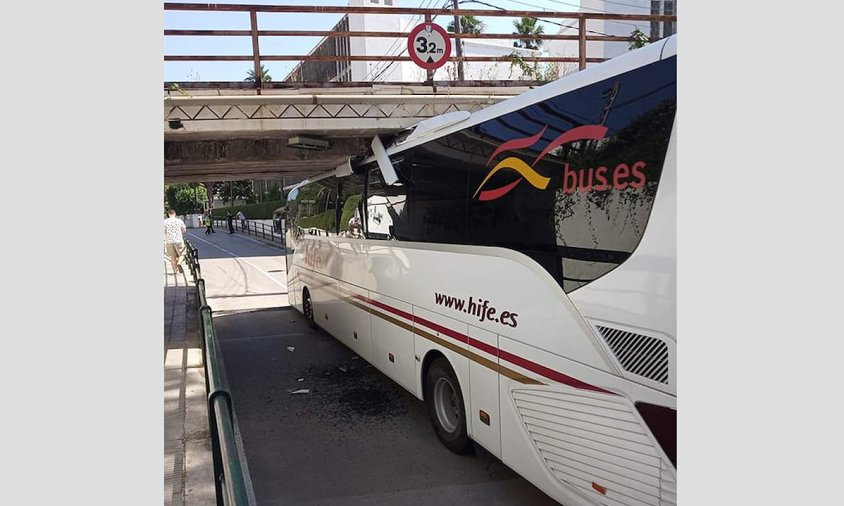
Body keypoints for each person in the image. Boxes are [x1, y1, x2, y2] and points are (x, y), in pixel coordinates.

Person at [164, 209, 187, 274]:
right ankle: (179, 263)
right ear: (175, 214)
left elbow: (164, 231)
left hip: (169, 241)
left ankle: (175, 270)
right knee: (182, 254)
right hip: (178, 240)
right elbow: (184, 230)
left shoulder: (165, 221)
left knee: (172, 256)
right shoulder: (179, 221)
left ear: (169, 214)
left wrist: (165, 238)